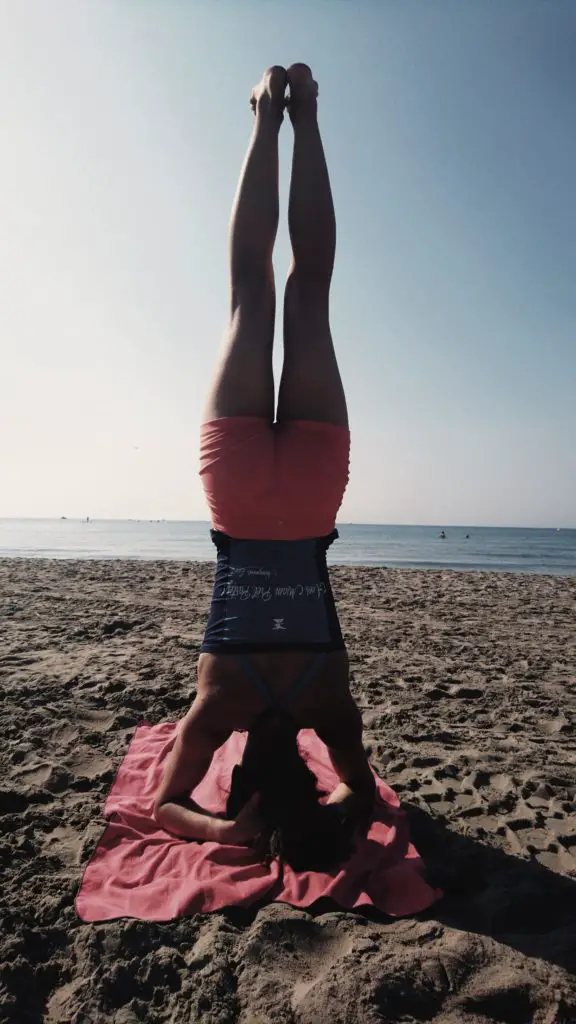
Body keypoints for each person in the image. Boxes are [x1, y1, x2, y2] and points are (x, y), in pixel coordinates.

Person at [153, 65, 375, 871]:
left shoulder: (331, 710)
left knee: (306, 293)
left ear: (306, 782)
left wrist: (331, 820)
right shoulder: (220, 710)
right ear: (241, 774)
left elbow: (363, 795)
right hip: (242, 499)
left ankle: (303, 111)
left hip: (310, 497)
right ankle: (263, 114)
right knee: (252, 293)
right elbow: (166, 805)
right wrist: (226, 831)